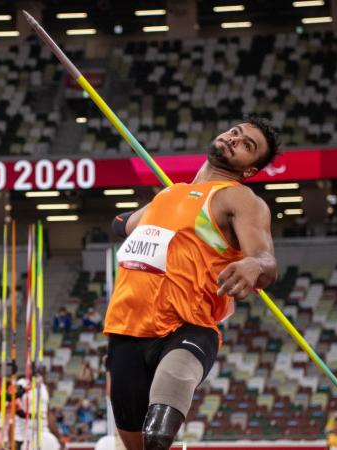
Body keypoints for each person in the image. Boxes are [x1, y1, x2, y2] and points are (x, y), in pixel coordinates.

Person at [104, 116, 280, 450]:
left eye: (247, 145)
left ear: (250, 170)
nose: (233, 139)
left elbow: (267, 261)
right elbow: (121, 224)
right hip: (126, 330)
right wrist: (128, 220)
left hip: (187, 327)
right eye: (234, 132)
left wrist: (253, 264)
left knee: (158, 433)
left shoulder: (239, 199)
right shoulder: (168, 195)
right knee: (135, 444)